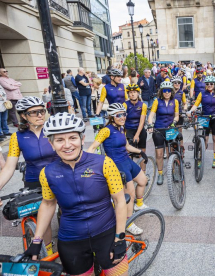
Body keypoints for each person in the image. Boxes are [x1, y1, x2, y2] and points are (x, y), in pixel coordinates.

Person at [24, 112, 128, 275]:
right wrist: (37, 240)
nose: (67, 145)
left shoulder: (104, 163)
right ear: (51, 144)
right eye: (59, 140)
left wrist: (120, 237)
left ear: (82, 138)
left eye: (72, 138)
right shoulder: (47, 173)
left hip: (106, 234)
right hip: (72, 240)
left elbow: (120, 201)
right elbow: (48, 204)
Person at [0, 97, 57, 256]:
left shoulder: (53, 129)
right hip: (34, 181)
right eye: (34, 112)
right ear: (24, 115)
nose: (40, 115)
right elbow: (9, 167)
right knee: (41, 221)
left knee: (68, 214)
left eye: (42, 111)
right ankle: (48, 251)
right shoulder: (17, 137)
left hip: (59, 177)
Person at [87, 103, 148, 235]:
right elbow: (92, 147)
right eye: (118, 115)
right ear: (111, 116)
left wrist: (140, 152)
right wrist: (89, 163)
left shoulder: (122, 128)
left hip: (127, 161)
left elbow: (126, 146)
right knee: (130, 195)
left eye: (124, 114)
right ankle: (129, 222)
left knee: (143, 181)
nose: (122, 117)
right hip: (118, 165)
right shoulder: (106, 130)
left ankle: (139, 203)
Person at [187, 76, 215, 168]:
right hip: (205, 118)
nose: (209, 85)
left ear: (214, 84)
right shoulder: (202, 93)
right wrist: (190, 111)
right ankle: (201, 157)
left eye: (211, 84)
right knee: (204, 139)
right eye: (207, 84)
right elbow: (196, 104)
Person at [147, 81, 179, 185]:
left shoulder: (175, 102)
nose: (167, 93)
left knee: (171, 152)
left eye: (169, 91)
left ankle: (173, 171)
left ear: (171, 91)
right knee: (159, 154)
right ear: (161, 92)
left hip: (170, 129)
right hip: (159, 130)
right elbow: (151, 115)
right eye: (165, 91)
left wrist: (174, 122)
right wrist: (150, 124)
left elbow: (177, 115)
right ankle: (160, 174)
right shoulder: (157, 101)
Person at [124, 84, 148, 174]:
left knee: (142, 152)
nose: (132, 94)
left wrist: (137, 135)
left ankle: (143, 173)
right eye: (130, 92)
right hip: (129, 130)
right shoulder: (125, 105)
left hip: (140, 130)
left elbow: (142, 122)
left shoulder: (143, 105)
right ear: (128, 94)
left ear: (138, 93)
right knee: (128, 152)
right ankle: (131, 173)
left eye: (134, 92)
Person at [171, 76, 188, 149]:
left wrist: (185, 108)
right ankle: (169, 148)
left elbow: (185, 103)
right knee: (170, 132)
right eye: (175, 82)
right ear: (172, 84)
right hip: (170, 114)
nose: (177, 84)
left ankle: (181, 147)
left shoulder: (181, 93)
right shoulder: (169, 92)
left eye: (178, 83)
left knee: (179, 131)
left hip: (179, 114)